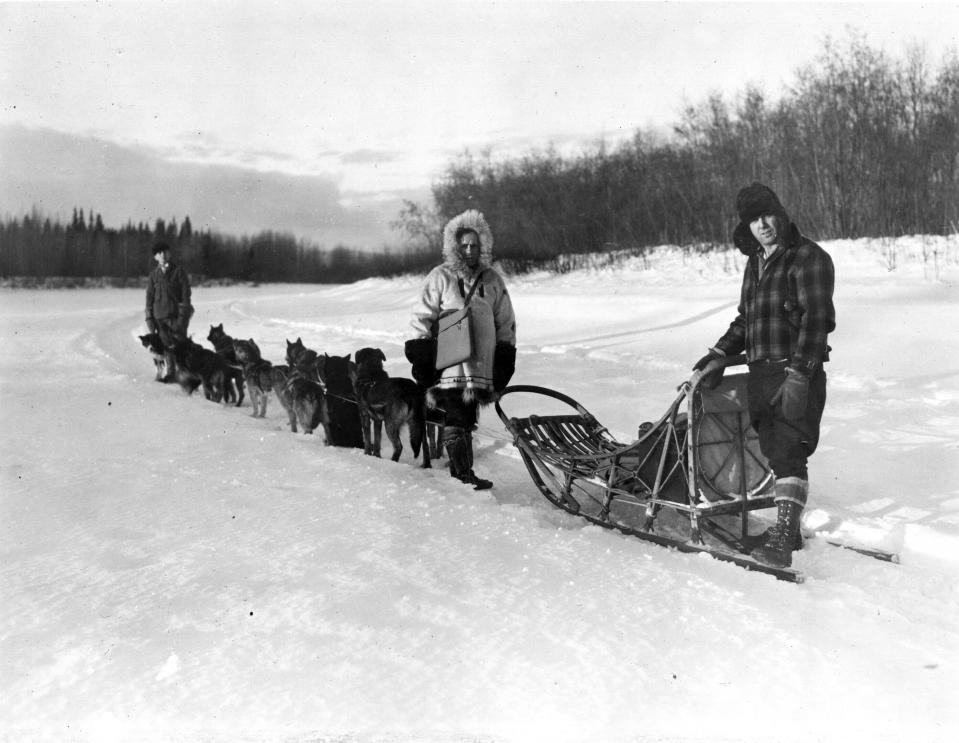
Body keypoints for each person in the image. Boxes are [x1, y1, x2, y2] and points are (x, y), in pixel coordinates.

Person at [692, 182, 835, 568]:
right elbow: (746, 320)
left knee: (789, 452)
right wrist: (719, 353)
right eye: (753, 219)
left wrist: (800, 374)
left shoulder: (808, 257)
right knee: (774, 450)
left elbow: (816, 321)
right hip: (761, 374)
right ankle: (788, 531)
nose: (762, 224)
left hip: (793, 372)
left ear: (781, 213)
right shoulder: (755, 262)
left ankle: (783, 540)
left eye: (767, 214)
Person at [405, 210, 517, 489]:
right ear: (454, 246)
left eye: (474, 245)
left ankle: (462, 473)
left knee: (467, 417)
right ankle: (462, 475)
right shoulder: (439, 276)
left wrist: (506, 356)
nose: (469, 250)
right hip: (451, 363)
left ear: (484, 246)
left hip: (482, 363)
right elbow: (421, 317)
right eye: (464, 245)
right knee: (457, 414)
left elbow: (506, 321)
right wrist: (422, 355)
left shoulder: (492, 280)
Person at [145, 241, 193, 381]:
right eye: (159, 253)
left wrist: (183, 317)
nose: (163, 255)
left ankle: (185, 375)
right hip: (160, 318)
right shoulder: (153, 275)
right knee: (166, 347)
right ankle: (170, 374)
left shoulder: (179, 272)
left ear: (169, 253)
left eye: (165, 252)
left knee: (181, 345)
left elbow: (186, 296)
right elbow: (149, 299)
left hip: (177, 317)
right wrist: (149, 319)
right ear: (155, 257)